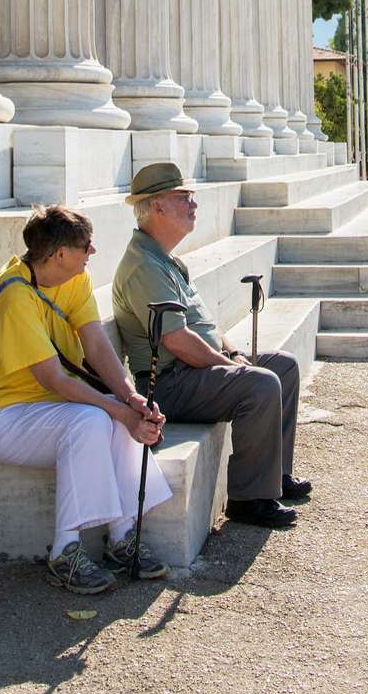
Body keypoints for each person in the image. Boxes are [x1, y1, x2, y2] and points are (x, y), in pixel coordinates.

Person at [0, 205, 172, 595]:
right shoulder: (14, 295)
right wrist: (118, 409)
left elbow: (94, 343)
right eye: (86, 246)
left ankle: (122, 535)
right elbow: (54, 379)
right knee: (93, 419)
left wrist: (131, 398)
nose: (93, 251)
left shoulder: (74, 278)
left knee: (111, 411)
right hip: (1, 419)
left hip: (50, 410)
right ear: (60, 254)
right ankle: (64, 551)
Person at [114, 162, 309, 529]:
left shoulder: (166, 260)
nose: (193, 204)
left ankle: (275, 477)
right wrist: (231, 366)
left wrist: (232, 353)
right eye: (184, 198)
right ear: (156, 206)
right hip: (170, 382)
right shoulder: (143, 266)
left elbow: (204, 326)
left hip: (195, 369)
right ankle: (249, 499)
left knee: (283, 366)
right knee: (261, 382)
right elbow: (177, 341)